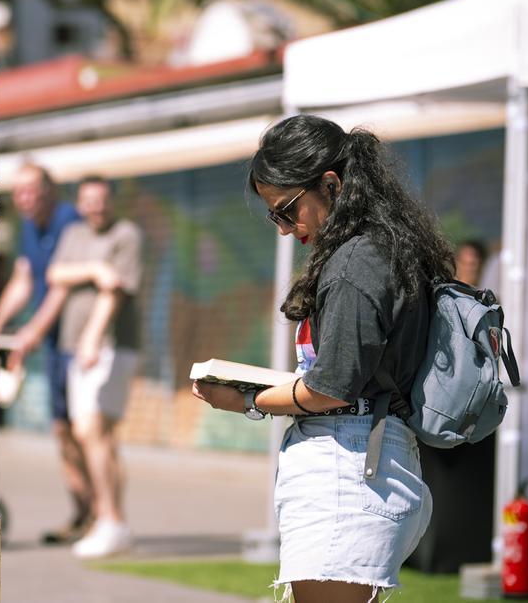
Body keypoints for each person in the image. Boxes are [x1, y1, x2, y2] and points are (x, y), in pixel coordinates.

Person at [193, 115, 452, 602]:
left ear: (331, 184)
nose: (286, 229)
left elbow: (330, 387)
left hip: (350, 464)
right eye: (275, 216)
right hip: (361, 458)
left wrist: (245, 401)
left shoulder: (357, 262)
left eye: (287, 210)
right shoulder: (374, 248)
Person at [20, 176, 144, 559]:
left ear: (112, 201)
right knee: (93, 435)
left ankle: (110, 521)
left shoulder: (126, 234)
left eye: (102, 200)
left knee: (93, 430)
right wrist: (92, 268)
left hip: (110, 346)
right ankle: (109, 521)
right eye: (89, 201)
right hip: (77, 349)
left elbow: (115, 292)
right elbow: (56, 275)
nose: (96, 208)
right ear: (81, 202)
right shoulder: (74, 233)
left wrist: (93, 337)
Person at [0, 162, 90, 544]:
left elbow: (59, 286)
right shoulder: (28, 226)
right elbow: (23, 279)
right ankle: (83, 515)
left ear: (50, 189)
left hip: (78, 340)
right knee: (62, 430)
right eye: (19, 192)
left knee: (84, 432)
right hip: (54, 343)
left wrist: (31, 331)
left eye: (32, 190)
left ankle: (100, 516)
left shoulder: (68, 220)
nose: (25, 198)